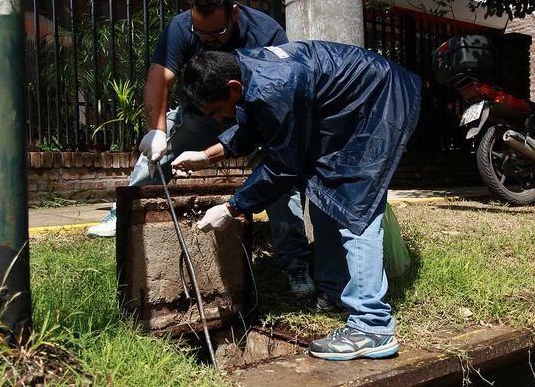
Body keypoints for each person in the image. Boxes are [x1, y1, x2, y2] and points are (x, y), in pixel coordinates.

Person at [172, 42, 421, 360]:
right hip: (351, 103)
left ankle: (372, 326)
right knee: (325, 193)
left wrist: (232, 207)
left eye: (217, 111)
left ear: (232, 87)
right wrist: (206, 156)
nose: (221, 119)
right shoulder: (246, 72)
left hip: (379, 99)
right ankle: (336, 291)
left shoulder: (274, 86)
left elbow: (281, 167)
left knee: (355, 206)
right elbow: (255, 125)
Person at [86, 0, 314, 298]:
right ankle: (124, 211)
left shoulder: (266, 33)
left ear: (234, 14)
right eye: (200, 32)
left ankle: (295, 263)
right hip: (204, 114)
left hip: (254, 117)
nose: (207, 39)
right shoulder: (181, 28)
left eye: (217, 32)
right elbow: (159, 78)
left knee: (278, 180)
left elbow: (282, 89)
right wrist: (156, 131)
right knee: (162, 145)